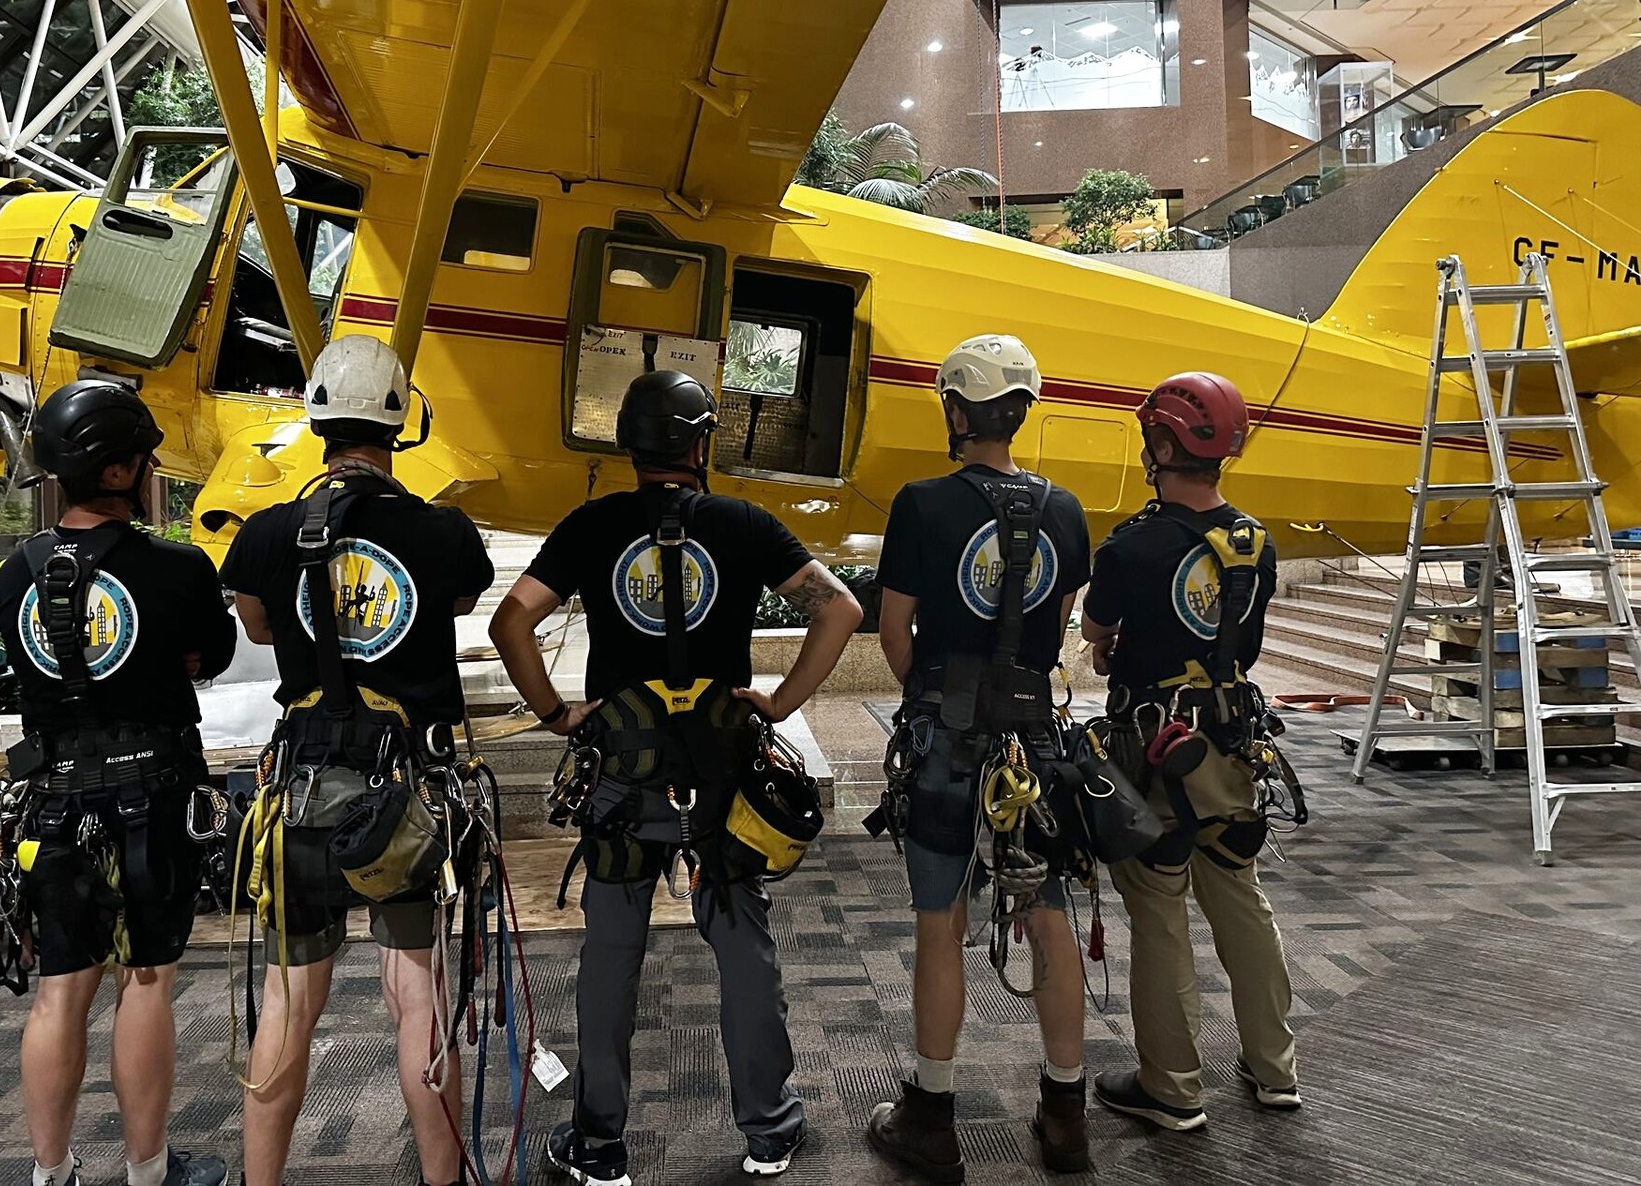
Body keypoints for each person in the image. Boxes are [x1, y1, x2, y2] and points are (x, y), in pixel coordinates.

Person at [490, 370, 861, 1185]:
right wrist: (776, 702)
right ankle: (767, 1130)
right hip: (720, 774)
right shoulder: (742, 524)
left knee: (611, 953)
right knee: (741, 946)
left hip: (621, 778)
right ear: (701, 444)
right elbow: (839, 608)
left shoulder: (590, 529)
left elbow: (511, 620)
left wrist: (557, 715)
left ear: (629, 448)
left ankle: (599, 1143)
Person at [219, 334, 495, 1186]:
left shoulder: (265, 536)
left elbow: (260, 625)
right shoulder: (441, 531)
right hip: (403, 802)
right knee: (419, 997)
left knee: (287, 1003)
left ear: (317, 418)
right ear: (399, 421)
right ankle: (442, 1179)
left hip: (298, 793)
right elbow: (453, 601)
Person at [0, 380, 238, 1186]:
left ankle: (51, 1172)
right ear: (124, 467)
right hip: (150, 793)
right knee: (146, 980)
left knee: (61, 989)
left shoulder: (13, 575)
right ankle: (147, 1170)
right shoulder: (176, 569)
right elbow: (207, 658)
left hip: (50, 798)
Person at [863, 335, 1094, 1181]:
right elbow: (1055, 624)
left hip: (946, 744)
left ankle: (932, 1112)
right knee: (1050, 914)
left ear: (957, 412)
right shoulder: (1065, 510)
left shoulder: (922, 504)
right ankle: (1066, 1112)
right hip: (1034, 743)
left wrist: (931, 699)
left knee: (939, 920)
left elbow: (894, 631)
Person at [1079, 371, 1300, 1132]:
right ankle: (1275, 1069)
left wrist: (1119, 652)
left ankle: (1173, 1086)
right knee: (1240, 893)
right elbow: (1243, 643)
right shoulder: (1254, 543)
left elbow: (1097, 636)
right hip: (1232, 746)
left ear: (1163, 445)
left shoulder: (1130, 548)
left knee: (1161, 909)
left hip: (1154, 752)